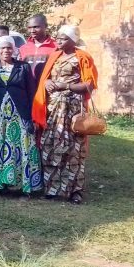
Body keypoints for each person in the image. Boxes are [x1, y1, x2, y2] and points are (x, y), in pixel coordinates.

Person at [32, 24, 98, 204]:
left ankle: (74, 191)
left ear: (73, 40)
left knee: (74, 149)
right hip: (53, 110)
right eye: (58, 38)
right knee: (50, 146)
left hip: (72, 110)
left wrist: (66, 86)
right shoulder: (54, 56)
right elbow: (46, 78)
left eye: (63, 38)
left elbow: (89, 85)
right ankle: (52, 189)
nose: (59, 41)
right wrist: (47, 83)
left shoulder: (82, 58)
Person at [0, 35, 42, 195]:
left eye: (9, 47)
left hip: (20, 116)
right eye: (2, 48)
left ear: (14, 49)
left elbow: (32, 93)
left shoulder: (23, 67)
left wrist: (33, 117)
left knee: (22, 147)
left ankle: (23, 186)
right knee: (0, 148)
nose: (6, 50)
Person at [19, 13, 57, 83]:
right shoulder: (23, 48)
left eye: (36, 27)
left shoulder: (55, 47)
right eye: (29, 28)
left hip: (47, 88)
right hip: (28, 89)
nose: (32, 31)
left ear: (45, 26)